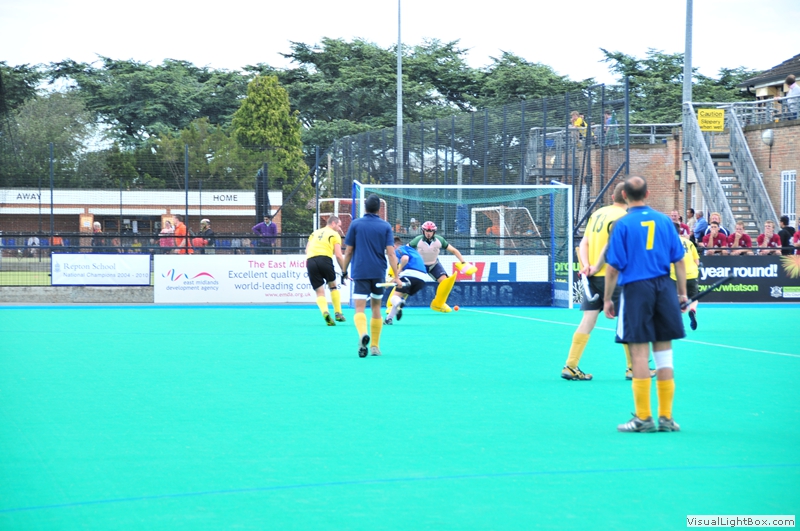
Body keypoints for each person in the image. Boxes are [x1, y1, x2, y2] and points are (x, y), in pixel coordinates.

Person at [603, 176, 687, 433]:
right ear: (648, 194)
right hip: (664, 287)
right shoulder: (664, 221)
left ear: (624, 196)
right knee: (664, 354)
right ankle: (666, 417)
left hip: (636, 289)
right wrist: (682, 294)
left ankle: (643, 418)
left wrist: (607, 299)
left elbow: (613, 268)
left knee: (639, 354)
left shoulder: (622, 224)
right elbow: (679, 260)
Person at [561, 182, 635, 381]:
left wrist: (587, 265)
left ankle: (571, 365)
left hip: (592, 275)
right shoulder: (625, 217)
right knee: (628, 319)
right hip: (613, 275)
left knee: (588, 320)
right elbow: (614, 247)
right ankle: (633, 368)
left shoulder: (598, 213)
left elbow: (584, 242)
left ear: (612, 197)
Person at [342, 194, 403, 357]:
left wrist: (344, 271)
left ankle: (363, 334)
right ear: (379, 209)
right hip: (378, 272)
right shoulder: (385, 226)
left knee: (359, 308)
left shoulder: (355, 224)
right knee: (376, 308)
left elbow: (348, 251)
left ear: (365, 207)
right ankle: (375, 346)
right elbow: (391, 253)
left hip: (360, 271)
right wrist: (396, 276)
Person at [408, 220, 472, 313]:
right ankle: (394, 304)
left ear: (434, 232)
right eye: (426, 231)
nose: (428, 233)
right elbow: (406, 249)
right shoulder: (417, 240)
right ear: (423, 231)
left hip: (434, 265)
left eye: (431, 231)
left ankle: (439, 304)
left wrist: (463, 262)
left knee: (445, 281)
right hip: (419, 266)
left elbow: (454, 250)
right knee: (407, 282)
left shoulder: (439, 240)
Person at [306, 215, 347, 326]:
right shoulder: (334, 234)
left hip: (310, 261)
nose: (339, 228)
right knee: (333, 286)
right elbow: (338, 255)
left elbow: (307, 250)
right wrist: (344, 271)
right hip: (325, 259)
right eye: (339, 226)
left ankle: (325, 312)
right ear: (333, 223)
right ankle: (338, 313)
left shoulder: (314, 233)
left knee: (319, 292)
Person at [384, 236, 430, 325]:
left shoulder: (399, 249)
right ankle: (389, 319)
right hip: (422, 279)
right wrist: (393, 280)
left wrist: (397, 275)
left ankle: (399, 303)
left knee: (394, 298)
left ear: (394, 245)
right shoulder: (412, 250)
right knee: (398, 296)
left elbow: (405, 258)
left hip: (410, 274)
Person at [671, 222, 700, 331]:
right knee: (694, 297)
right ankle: (692, 310)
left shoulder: (669, 243)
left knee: (677, 298)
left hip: (676, 276)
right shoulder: (689, 242)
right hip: (692, 274)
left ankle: (678, 321)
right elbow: (697, 262)